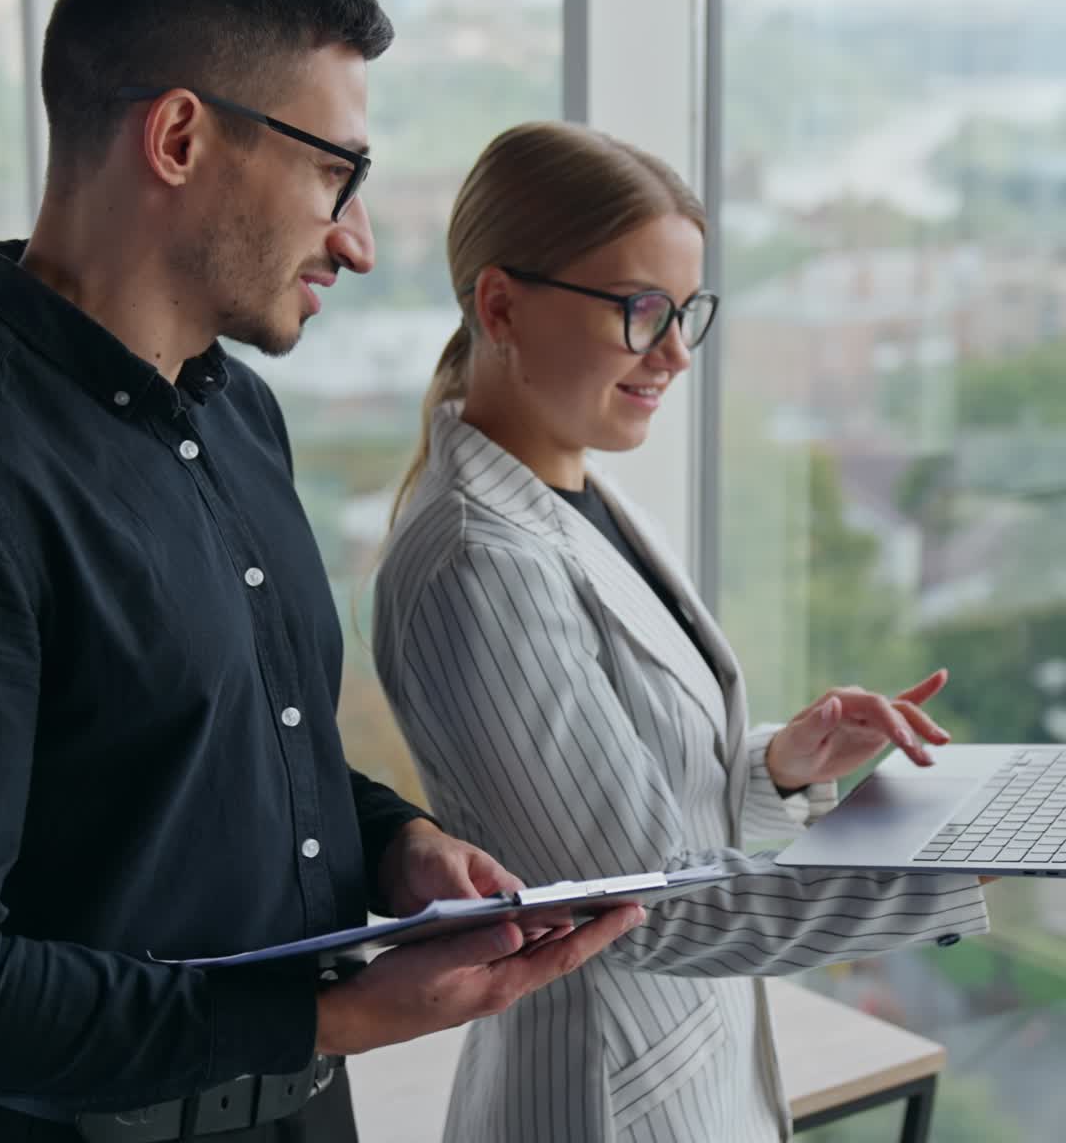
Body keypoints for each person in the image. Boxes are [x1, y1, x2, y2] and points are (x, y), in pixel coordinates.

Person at [0, 0, 642, 1143]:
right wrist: (322, 1015)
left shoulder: (236, 413)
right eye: (332, 173)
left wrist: (396, 842)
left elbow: (222, 748)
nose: (354, 238)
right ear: (180, 135)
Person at [372, 120, 992, 1143]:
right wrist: (946, 870)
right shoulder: (477, 565)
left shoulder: (580, 496)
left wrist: (776, 768)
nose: (672, 353)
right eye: (637, 310)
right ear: (499, 304)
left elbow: (621, 798)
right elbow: (645, 902)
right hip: (602, 1101)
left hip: (688, 1077)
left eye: (685, 311)